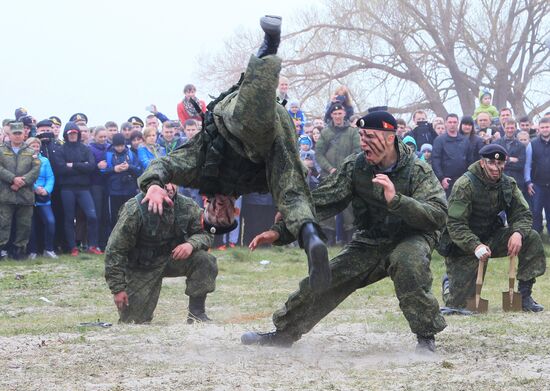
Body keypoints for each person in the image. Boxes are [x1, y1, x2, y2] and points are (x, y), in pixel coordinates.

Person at [138, 15, 331, 293]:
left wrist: (153, 185)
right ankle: (310, 235)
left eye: (213, 213)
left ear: (206, 207)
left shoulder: (198, 172)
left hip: (231, 118)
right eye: (225, 214)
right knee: (289, 187)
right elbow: (292, 179)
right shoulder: (255, 185)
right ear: (235, 211)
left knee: (250, 112)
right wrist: (284, 217)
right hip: (276, 134)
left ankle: (311, 236)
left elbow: (164, 164)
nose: (219, 209)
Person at [241, 110, 448, 353]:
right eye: (361, 136)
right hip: (371, 239)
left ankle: (426, 337)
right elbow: (324, 199)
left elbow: (437, 215)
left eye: (370, 137)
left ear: (390, 137)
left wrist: (397, 200)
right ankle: (283, 333)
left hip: (411, 236)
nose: (363, 142)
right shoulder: (356, 166)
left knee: (407, 261)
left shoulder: (417, 170)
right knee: (326, 277)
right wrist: (281, 229)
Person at [442, 144, 545, 312]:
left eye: (501, 163)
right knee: (460, 306)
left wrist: (518, 233)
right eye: (491, 163)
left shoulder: (507, 184)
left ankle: (525, 296)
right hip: (465, 244)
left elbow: (523, 213)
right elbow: (455, 224)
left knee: (530, 236)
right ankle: (448, 284)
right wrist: (476, 245)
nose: (496, 168)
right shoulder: (465, 184)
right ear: (482, 163)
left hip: (492, 237)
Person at [104, 183, 217, 324]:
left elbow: (206, 232)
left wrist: (191, 244)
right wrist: (118, 289)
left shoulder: (187, 206)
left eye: (173, 181)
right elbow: (114, 251)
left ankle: (197, 314)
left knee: (204, 260)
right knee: (133, 322)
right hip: (142, 266)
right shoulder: (135, 210)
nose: (169, 187)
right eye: (164, 183)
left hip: (173, 259)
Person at [52, 122, 102, 256]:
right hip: (67, 189)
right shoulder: (60, 150)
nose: (73, 135)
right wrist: (81, 166)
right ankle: (72, 247)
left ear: (78, 134)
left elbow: (91, 167)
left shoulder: (85, 149)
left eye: (75, 133)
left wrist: (72, 165)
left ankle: (93, 245)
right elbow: (60, 169)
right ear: (66, 135)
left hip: (83, 189)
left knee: (92, 216)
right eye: (70, 134)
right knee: (69, 218)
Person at [315, 102, 361, 244]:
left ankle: (350, 241)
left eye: (340, 113)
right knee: (328, 206)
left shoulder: (352, 132)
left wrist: (345, 168)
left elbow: (357, 152)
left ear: (344, 114)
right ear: (331, 115)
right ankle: (328, 240)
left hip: (346, 175)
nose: (337, 116)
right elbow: (319, 154)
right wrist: (330, 168)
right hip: (328, 175)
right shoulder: (325, 132)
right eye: (334, 114)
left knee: (349, 209)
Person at [0, 122, 41, 260]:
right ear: (9, 134)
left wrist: (21, 182)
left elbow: (35, 170)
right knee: (4, 224)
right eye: (14, 133)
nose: (17, 136)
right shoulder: (1, 150)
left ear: (24, 134)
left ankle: (19, 250)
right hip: (6, 194)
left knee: (24, 224)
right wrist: (12, 179)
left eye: (20, 133)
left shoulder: (31, 152)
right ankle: (3, 250)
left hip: (25, 195)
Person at [26, 137, 57, 259]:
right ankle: (32, 251)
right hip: (29, 195)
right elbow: (24, 176)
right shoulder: (24, 160)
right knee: (31, 224)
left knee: (50, 221)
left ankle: (48, 249)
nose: (35, 148)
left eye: (37, 146)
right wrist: (35, 188)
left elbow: (50, 177)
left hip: (44, 196)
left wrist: (46, 190)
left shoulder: (45, 160)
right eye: (33, 146)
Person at [104, 134, 141, 227]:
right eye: (117, 146)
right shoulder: (108, 154)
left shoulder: (131, 154)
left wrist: (129, 167)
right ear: (113, 145)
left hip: (129, 190)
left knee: (131, 216)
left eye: (122, 145)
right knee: (115, 217)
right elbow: (102, 171)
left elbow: (138, 170)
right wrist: (114, 169)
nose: (120, 148)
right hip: (114, 191)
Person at [432, 114, 469, 197]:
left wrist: (468, 177)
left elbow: (469, 160)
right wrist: (441, 178)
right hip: (447, 180)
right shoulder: (439, 140)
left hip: (463, 179)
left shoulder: (465, 140)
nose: (452, 124)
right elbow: (435, 160)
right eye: (450, 122)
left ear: (458, 123)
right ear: (446, 123)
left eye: (454, 122)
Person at [524, 117, 550, 235]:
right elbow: (527, 165)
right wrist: (528, 182)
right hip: (537, 185)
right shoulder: (532, 144)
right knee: (536, 211)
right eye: (543, 127)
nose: (545, 129)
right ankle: (536, 235)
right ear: (538, 129)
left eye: (547, 127)